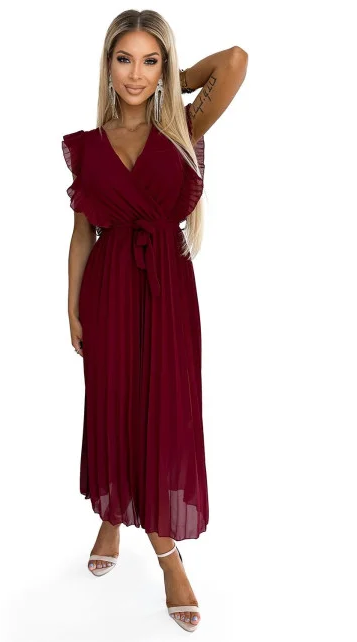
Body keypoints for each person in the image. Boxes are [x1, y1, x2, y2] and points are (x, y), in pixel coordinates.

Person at [62, 9, 247, 632]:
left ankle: (167, 554)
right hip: (109, 290)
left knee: (163, 414)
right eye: (124, 60)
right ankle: (112, 516)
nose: (135, 74)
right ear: (106, 65)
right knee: (112, 407)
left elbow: (235, 62)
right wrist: (71, 306)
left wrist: (174, 80)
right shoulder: (88, 147)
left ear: (164, 66)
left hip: (167, 292)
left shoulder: (183, 129)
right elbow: (82, 235)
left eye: (150, 60)